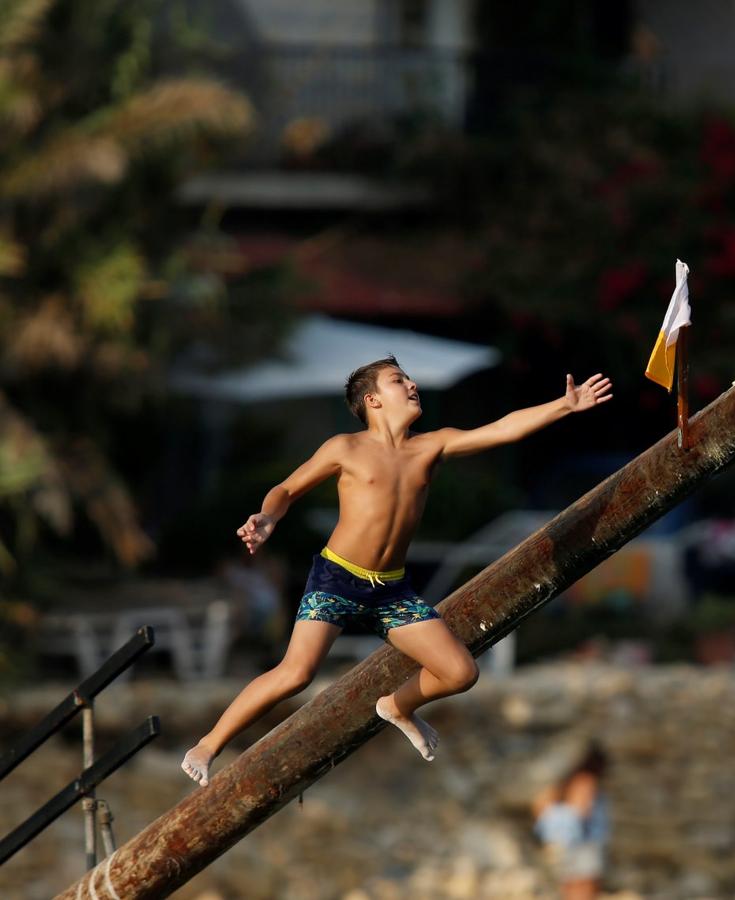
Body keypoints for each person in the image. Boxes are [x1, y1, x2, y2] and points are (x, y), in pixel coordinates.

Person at [180, 356, 613, 786]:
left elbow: (500, 429)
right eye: (397, 380)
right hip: (337, 579)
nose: (411, 385)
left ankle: (399, 706)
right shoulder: (344, 448)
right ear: (372, 399)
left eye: (409, 378)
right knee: (295, 674)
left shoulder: (431, 445)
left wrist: (564, 406)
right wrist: (268, 517)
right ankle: (208, 744)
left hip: (391, 592)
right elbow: (287, 488)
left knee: (461, 673)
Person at [533, 743, 611, 900]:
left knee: (572, 889)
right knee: (582, 890)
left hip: (575, 848)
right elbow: (577, 815)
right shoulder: (585, 782)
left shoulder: (575, 782)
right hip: (583, 847)